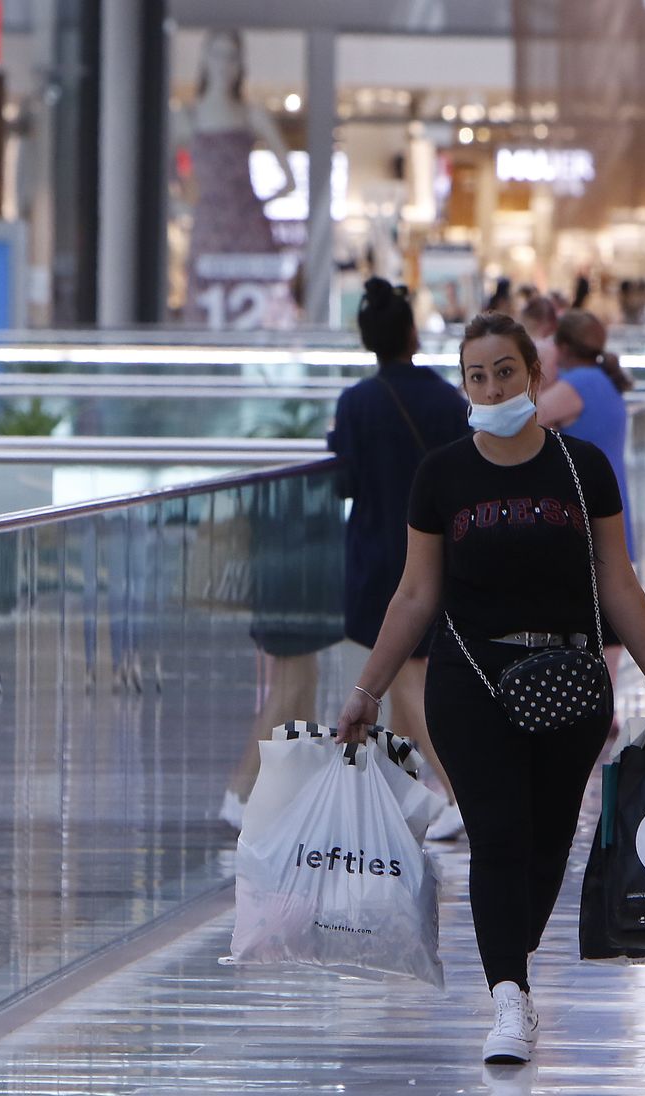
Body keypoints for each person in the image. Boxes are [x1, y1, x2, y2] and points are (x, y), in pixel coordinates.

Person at [334, 311, 645, 1066]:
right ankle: (510, 997)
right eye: (477, 374)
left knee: (544, 847)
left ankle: (511, 956)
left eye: (506, 370)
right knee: (498, 838)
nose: (493, 385)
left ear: (534, 376)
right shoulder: (442, 475)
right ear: (463, 382)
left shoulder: (581, 468)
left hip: (570, 686)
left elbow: (618, 581)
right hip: (470, 681)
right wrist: (367, 692)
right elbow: (414, 595)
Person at [325, 277, 471, 841]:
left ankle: (459, 791)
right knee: (410, 682)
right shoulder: (444, 398)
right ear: (412, 332)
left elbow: (344, 482)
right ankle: (442, 790)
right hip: (436, 557)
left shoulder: (356, 403)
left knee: (405, 683)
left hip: (374, 559)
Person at [537, 308, 635, 685]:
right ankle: (605, 688)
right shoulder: (604, 382)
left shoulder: (576, 385)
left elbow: (524, 420)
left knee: (586, 598)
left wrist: (540, 371)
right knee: (610, 596)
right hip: (611, 503)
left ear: (562, 346)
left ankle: (592, 691)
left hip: (580, 508)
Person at [173, 30, 297, 326]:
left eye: (231, 57)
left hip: (247, 225)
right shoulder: (187, 117)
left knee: (255, 309)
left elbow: (290, 179)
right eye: (217, 54)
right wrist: (182, 205)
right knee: (208, 309)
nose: (224, 64)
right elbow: (161, 173)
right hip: (210, 226)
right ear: (205, 59)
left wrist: (256, 204)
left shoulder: (252, 115)